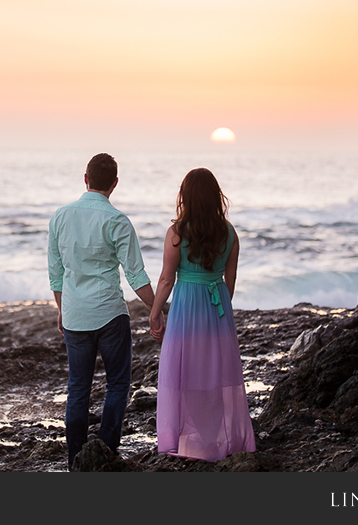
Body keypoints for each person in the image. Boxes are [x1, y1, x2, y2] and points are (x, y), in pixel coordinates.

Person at [48, 153, 159, 470]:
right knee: (118, 385)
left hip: (74, 315)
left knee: (78, 389)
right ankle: (106, 452)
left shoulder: (60, 217)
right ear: (114, 183)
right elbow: (136, 275)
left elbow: (56, 274)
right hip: (110, 313)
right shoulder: (117, 221)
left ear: (85, 178)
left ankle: (75, 461)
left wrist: (62, 308)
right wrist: (158, 311)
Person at [148, 167, 256, 462]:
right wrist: (218, 309)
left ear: (186, 197)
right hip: (216, 304)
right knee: (216, 371)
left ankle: (196, 439)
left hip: (186, 306)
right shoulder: (229, 232)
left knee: (186, 372)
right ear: (214, 196)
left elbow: (166, 280)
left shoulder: (177, 233)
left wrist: (154, 315)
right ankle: (214, 438)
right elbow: (230, 281)